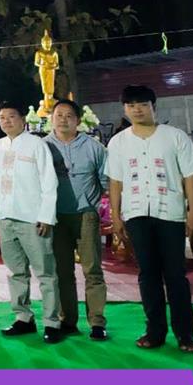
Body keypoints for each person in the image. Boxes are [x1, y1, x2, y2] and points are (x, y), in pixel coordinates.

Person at [108, 85, 193, 353]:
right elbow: (115, 182)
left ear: (154, 106)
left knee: (176, 275)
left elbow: (190, 178)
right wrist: (116, 216)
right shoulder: (118, 142)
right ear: (124, 109)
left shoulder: (175, 137)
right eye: (131, 105)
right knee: (147, 274)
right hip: (137, 214)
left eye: (142, 104)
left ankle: (185, 334)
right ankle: (155, 331)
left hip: (170, 213)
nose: (137, 109)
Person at [0, 102, 62, 344]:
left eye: (11, 116)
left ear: (23, 119)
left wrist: (46, 216)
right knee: (15, 272)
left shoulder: (37, 145)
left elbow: (49, 182)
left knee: (45, 273)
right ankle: (23, 317)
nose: (6, 121)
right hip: (6, 218)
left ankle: (52, 322)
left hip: (33, 219)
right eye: (2, 117)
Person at [44, 99, 109, 340]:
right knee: (62, 271)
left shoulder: (94, 147)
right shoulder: (43, 147)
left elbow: (105, 179)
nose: (63, 119)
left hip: (85, 215)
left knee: (92, 269)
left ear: (78, 120)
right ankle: (67, 320)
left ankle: (97, 322)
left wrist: (93, 204)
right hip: (56, 217)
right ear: (51, 118)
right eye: (58, 115)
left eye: (69, 115)